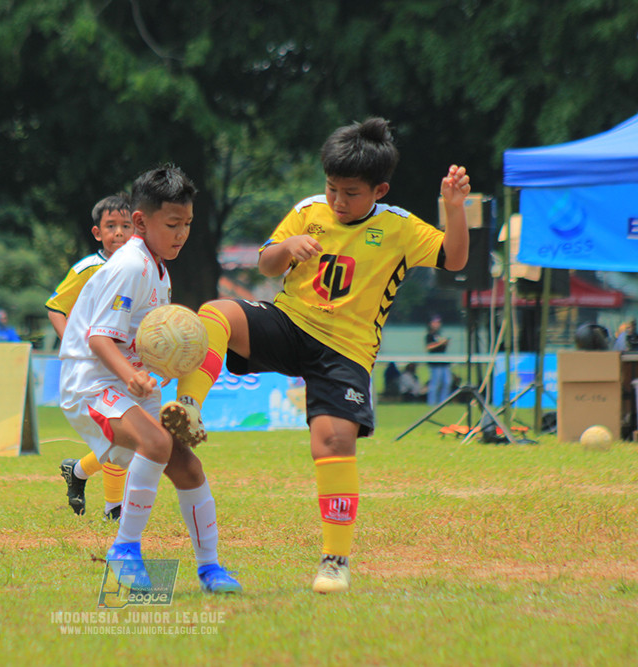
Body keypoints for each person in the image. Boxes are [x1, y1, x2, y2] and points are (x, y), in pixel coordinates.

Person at [163, 118, 471, 593]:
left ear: (379, 190)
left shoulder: (400, 227)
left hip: (344, 352)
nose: (337, 201)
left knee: (332, 443)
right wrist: (287, 246)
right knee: (216, 312)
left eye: (350, 193)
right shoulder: (308, 210)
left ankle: (334, 561)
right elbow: (267, 263)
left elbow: (455, 258)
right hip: (288, 324)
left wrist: (454, 208)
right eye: (331, 188)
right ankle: (188, 407)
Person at [59, 165, 241, 594]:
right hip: (91, 383)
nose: (182, 234)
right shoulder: (131, 265)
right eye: (172, 224)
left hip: (126, 384)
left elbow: (145, 342)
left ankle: (211, 569)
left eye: (187, 224)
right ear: (141, 221)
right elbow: (98, 338)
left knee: (188, 467)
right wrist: (132, 376)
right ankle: (124, 549)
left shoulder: (158, 267)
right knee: (156, 444)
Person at [47, 193, 133, 520]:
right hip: (94, 367)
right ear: (97, 232)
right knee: (119, 433)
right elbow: (56, 307)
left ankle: (79, 472)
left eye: (126, 226)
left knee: (124, 437)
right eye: (111, 226)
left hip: (125, 364)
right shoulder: (88, 268)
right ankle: (114, 509)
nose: (119, 232)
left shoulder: (140, 268)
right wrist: (75, 345)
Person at [425, 315, 450, 404]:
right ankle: (432, 402)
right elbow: (429, 347)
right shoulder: (429, 335)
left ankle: (443, 402)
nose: (437, 324)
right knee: (435, 384)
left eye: (438, 322)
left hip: (444, 363)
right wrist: (440, 343)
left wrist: (445, 343)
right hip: (435, 364)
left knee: (447, 383)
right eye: (435, 322)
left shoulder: (439, 334)